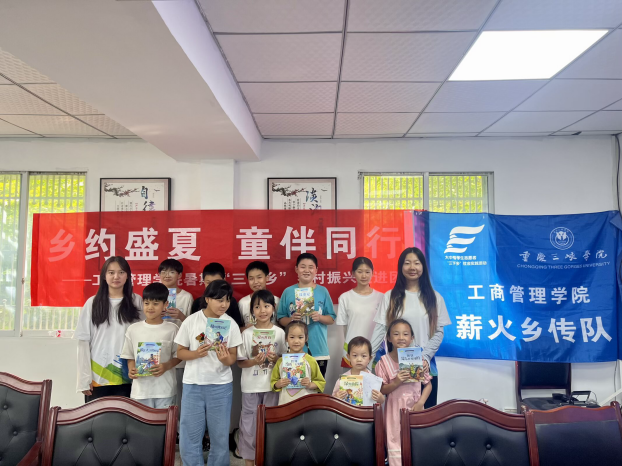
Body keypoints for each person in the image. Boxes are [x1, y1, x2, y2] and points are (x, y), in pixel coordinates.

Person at [371, 247, 451, 408]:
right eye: (407, 263)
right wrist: (367, 359)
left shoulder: (435, 298)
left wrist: (425, 357)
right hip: (395, 368)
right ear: (401, 267)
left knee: (425, 414)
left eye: (417, 263)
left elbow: (438, 332)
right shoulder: (390, 296)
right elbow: (380, 330)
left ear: (423, 267)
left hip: (425, 366)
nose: (412, 267)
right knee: (395, 414)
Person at [175, 280, 242, 466]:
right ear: (207, 299)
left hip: (220, 386)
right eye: (219, 300)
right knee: (190, 434)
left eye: (227, 300)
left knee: (219, 435)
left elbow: (233, 357)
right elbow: (180, 352)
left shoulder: (230, 324)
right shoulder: (191, 321)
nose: (224, 304)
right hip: (193, 384)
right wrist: (196, 354)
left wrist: (225, 359)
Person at [74, 256, 143, 402]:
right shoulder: (92, 303)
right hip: (98, 377)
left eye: (121, 272)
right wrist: (84, 379)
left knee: (127, 416)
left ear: (128, 276)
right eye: (111, 272)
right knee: (98, 417)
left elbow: (145, 336)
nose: (116, 277)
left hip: (129, 376)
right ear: (104, 276)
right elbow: (83, 342)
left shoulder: (136, 301)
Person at [237, 290, 286, 466]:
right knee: (249, 426)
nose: (262, 310)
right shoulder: (247, 334)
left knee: (270, 425)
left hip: (272, 386)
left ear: (273, 308)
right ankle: (249, 461)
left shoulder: (280, 333)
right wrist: (254, 361)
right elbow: (240, 363)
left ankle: (268, 459)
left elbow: (286, 361)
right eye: (257, 307)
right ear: (252, 311)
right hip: (251, 387)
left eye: (266, 306)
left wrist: (276, 359)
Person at [376, 319, 431, 466]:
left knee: (416, 443)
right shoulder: (383, 362)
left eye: (405, 334)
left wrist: (420, 403)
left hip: (415, 408)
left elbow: (428, 385)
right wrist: (396, 382)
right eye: (396, 334)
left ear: (412, 337)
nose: (401, 337)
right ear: (389, 338)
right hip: (394, 410)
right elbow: (382, 389)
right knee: (395, 443)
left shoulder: (417, 359)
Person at [121, 282, 181, 408]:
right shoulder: (133, 329)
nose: (150, 307)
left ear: (165, 304)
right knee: (140, 421)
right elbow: (129, 355)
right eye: (147, 303)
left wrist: (166, 366)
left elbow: (179, 355)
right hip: (140, 391)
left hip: (165, 390)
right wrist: (131, 369)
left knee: (165, 420)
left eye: (156, 303)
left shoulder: (172, 329)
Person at [276, 253, 336, 377]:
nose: (306, 270)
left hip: (318, 350)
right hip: (294, 351)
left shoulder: (323, 291)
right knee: (295, 385)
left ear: (316, 270)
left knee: (317, 386)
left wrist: (320, 317)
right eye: (303, 267)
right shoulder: (288, 292)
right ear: (296, 269)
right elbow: (280, 318)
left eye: (310, 267)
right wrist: (291, 319)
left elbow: (331, 318)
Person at [158, 258, 194, 423]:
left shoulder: (186, 297)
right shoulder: (154, 294)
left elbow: (194, 326)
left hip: (180, 351)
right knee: (162, 393)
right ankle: (164, 427)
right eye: (163, 271)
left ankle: (179, 429)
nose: (167, 275)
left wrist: (181, 316)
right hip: (159, 351)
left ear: (179, 275)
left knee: (180, 393)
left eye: (171, 272)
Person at [336, 257, 383, 369]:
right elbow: (345, 328)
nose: (364, 276)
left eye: (367, 272)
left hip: (375, 350)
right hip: (352, 351)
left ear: (372, 273)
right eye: (360, 272)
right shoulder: (345, 298)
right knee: (351, 380)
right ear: (353, 273)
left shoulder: (382, 297)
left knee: (375, 379)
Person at [271, 321, 326, 405]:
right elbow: (273, 382)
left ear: (306, 338)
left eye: (300, 337)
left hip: (306, 405)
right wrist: (278, 384)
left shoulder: (311, 360)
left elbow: (320, 382)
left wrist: (310, 384)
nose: (296, 341)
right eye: (292, 337)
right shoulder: (281, 361)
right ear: (286, 338)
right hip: (285, 403)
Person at [332, 336, 385, 406]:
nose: (359, 359)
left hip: (367, 412)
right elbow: (333, 400)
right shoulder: (342, 380)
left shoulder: (373, 380)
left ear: (370, 358)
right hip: (347, 412)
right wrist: (336, 397)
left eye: (363, 356)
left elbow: (380, 402)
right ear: (348, 357)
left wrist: (381, 398)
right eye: (355, 355)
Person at [190, 262, 244, 328]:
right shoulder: (197, 303)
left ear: (224, 280)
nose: (213, 287)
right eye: (209, 283)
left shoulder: (231, 302)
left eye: (217, 283)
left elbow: (238, 326)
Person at [238, 261, 280, 331]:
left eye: (259, 277)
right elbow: (237, 329)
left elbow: (281, 325)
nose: (255, 282)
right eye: (251, 278)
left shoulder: (276, 300)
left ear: (267, 278)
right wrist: (248, 329)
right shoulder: (243, 303)